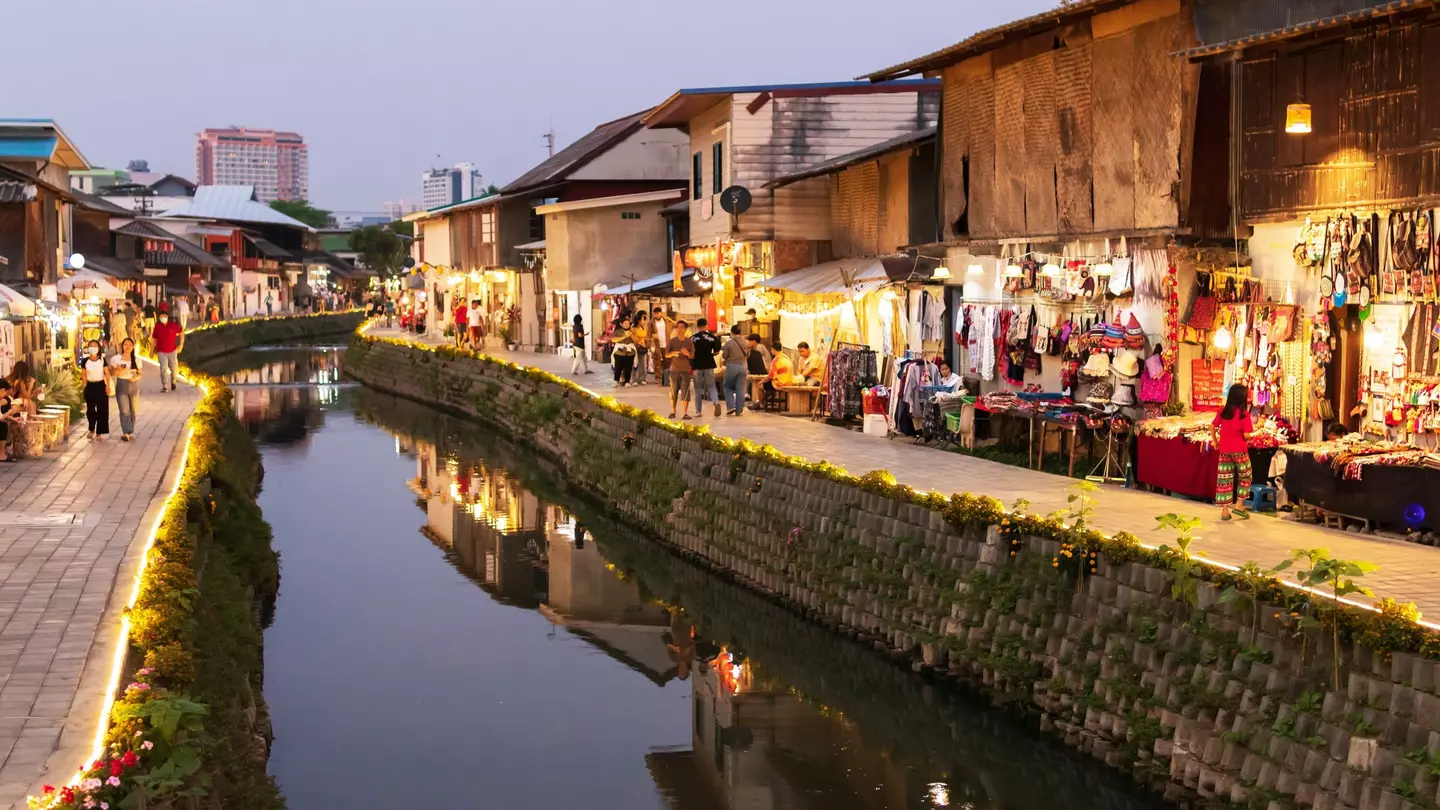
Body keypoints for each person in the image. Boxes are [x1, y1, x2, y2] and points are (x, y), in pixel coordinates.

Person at [1212, 383, 1255, 521]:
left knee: (1225, 479)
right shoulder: (1244, 415)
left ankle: (1225, 511)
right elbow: (1247, 435)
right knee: (1245, 476)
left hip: (1224, 451)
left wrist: (1215, 442)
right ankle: (1239, 504)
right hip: (1240, 451)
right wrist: (1253, 435)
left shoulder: (1222, 412)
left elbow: (1211, 426)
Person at [110, 338, 142, 442]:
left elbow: (140, 373)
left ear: (133, 347)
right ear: (122, 346)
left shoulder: (136, 360)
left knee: (133, 410)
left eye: (130, 345)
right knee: (124, 410)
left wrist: (136, 378)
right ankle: (126, 432)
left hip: (133, 385)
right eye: (125, 344)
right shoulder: (116, 359)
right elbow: (113, 373)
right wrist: (118, 369)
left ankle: (130, 431)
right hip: (121, 384)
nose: (128, 346)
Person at [79, 340, 111, 440]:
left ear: (98, 348)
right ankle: (91, 429)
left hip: (101, 386)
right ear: (88, 348)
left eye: (95, 346)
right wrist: (84, 386)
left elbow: (107, 373)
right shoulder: (85, 361)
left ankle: (99, 432)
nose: (93, 348)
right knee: (90, 410)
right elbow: (83, 374)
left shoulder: (102, 359)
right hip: (90, 386)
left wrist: (108, 386)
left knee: (102, 410)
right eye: (91, 346)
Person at [689, 318, 722, 417]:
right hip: (709, 364)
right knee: (711, 385)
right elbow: (716, 352)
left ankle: (698, 411)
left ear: (697, 326)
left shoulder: (692, 338)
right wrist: (710, 355)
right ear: (706, 326)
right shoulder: (713, 337)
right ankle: (716, 402)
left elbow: (690, 352)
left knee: (698, 388)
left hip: (697, 365)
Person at [667, 320, 695, 419]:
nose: (680, 329)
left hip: (686, 370)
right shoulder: (672, 341)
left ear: (685, 329)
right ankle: (673, 411)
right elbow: (666, 354)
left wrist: (687, 354)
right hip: (674, 369)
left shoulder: (689, 342)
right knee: (673, 391)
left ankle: (685, 413)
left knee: (685, 392)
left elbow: (692, 356)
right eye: (678, 327)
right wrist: (673, 353)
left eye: (682, 327)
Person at [152, 309, 184, 393]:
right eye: (161, 317)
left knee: (173, 368)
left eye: (164, 317)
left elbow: (181, 333)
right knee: (163, 368)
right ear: (159, 318)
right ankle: (165, 385)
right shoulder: (157, 326)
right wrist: (151, 349)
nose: (163, 318)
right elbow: (154, 339)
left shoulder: (173, 325)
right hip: (161, 351)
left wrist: (181, 345)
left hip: (172, 351)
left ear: (167, 317)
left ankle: (173, 381)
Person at [721, 324, 750, 416]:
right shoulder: (746, 342)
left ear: (732, 332)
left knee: (727, 386)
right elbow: (748, 355)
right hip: (744, 366)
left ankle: (731, 406)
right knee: (740, 389)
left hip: (732, 366)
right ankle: (739, 410)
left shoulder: (729, 343)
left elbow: (724, 355)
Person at [611, 318, 637, 386]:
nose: (627, 325)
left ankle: (627, 381)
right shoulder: (617, 331)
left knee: (628, 367)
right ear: (621, 324)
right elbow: (613, 340)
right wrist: (625, 336)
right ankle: (616, 380)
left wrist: (631, 335)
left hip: (629, 352)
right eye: (625, 323)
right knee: (618, 367)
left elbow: (636, 341)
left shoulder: (632, 331)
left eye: (628, 324)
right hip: (619, 351)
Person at [651, 307, 670, 385]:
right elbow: (648, 334)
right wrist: (651, 340)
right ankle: (658, 377)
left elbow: (674, 324)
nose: (656, 315)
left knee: (667, 362)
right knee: (657, 362)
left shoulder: (666, 321)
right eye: (655, 313)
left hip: (666, 344)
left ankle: (666, 378)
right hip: (657, 344)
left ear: (661, 313)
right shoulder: (651, 323)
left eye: (658, 313)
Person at [630, 311, 650, 385]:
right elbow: (631, 336)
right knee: (635, 363)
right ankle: (634, 379)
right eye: (643, 318)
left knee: (643, 364)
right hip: (635, 347)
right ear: (639, 319)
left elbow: (646, 337)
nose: (644, 321)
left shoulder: (644, 328)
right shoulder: (633, 327)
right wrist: (638, 342)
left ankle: (643, 378)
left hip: (643, 347)